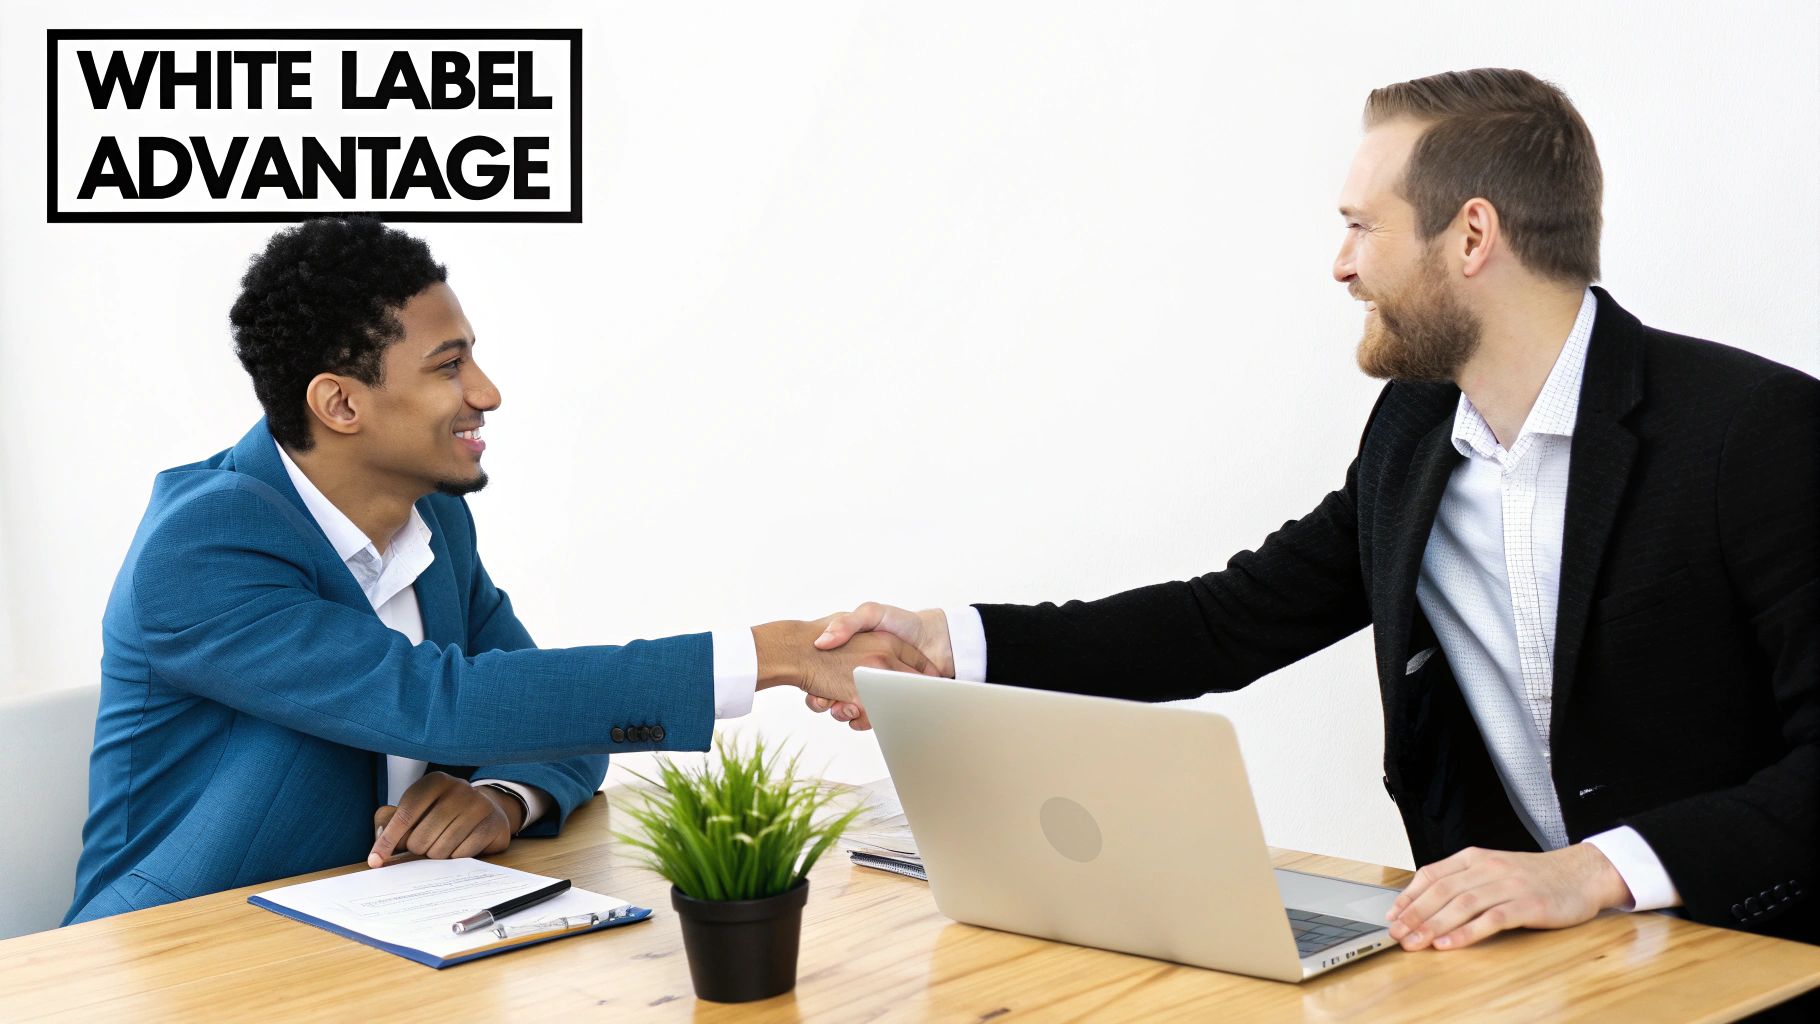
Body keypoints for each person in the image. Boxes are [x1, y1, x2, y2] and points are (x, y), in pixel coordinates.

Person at [809, 68, 1820, 952]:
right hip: (1521, 968)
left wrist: (1590, 869)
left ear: (1471, 233)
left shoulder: (1756, 431)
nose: (1339, 267)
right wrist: (947, 644)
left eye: (1358, 227)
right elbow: (1226, 619)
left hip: (1754, 953)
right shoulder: (1413, 433)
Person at [66, 217, 929, 924]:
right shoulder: (203, 545)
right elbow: (444, 702)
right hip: (169, 960)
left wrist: (506, 799)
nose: (487, 391)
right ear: (340, 403)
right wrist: (773, 652)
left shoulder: (432, 515)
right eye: (449, 366)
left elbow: (545, 709)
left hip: (381, 936)